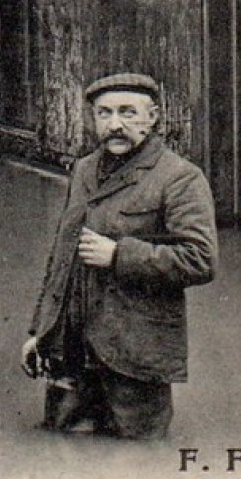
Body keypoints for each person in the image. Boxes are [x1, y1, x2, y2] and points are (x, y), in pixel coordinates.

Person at [22, 73, 217, 439]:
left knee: (137, 467)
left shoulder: (180, 178)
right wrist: (40, 331)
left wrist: (119, 255)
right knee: (62, 460)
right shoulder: (83, 170)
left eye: (128, 113)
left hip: (135, 357)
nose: (115, 125)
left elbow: (201, 258)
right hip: (72, 352)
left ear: (153, 116)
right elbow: (62, 255)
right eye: (104, 113)